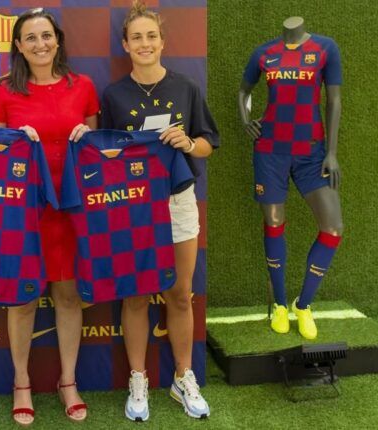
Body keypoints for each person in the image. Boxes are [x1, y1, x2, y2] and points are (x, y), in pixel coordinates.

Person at [100, 1, 219, 422]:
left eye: (152, 36)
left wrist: (187, 143)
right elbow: (104, 156)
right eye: (137, 37)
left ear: (163, 42)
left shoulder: (186, 87)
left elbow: (208, 143)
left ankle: (183, 376)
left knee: (179, 294)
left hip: (177, 201)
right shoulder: (113, 95)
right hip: (130, 206)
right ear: (125, 45)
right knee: (134, 296)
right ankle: (138, 378)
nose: (145, 43)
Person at [0, 8, 98, 426]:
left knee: (69, 297)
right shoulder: (2, 92)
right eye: (30, 38)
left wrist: (88, 136)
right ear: (18, 46)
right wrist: (14, 141)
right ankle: (21, 383)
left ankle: (68, 381)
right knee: (24, 299)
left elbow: (92, 153)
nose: (40, 44)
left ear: (58, 39)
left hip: (68, 211)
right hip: (23, 214)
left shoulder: (82, 86)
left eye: (46, 36)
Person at [237, 16, 344, 340]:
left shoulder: (325, 48)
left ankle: (304, 304)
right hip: (270, 150)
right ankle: (281, 305)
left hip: (312, 152)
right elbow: (244, 91)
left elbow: (334, 99)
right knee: (273, 221)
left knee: (333, 227)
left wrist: (332, 152)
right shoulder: (264, 52)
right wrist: (245, 120)